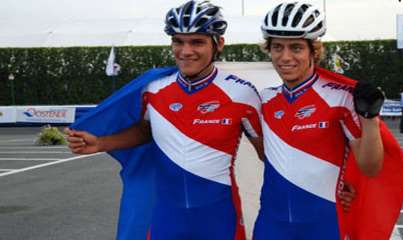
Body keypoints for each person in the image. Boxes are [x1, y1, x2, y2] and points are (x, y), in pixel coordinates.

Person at [66, 1, 264, 239]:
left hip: (220, 217)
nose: (185, 50)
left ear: (218, 44)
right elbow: (145, 131)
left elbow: (269, 154)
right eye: (178, 41)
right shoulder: (154, 89)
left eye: (197, 42)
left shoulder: (242, 93)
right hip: (165, 216)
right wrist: (101, 143)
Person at [253, 2, 386, 239]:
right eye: (277, 47)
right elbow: (267, 152)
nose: (285, 57)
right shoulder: (263, 100)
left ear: (314, 51)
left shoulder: (341, 97)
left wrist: (370, 119)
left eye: (296, 48)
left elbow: (371, 167)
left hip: (324, 225)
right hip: (271, 225)